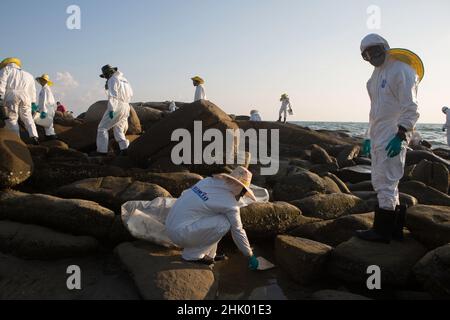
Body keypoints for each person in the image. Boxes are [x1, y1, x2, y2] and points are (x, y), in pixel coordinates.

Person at [357, 34, 422, 243]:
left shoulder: (401, 70)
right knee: (381, 181)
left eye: (374, 50)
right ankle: (394, 229)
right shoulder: (372, 79)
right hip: (378, 136)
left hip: (393, 135)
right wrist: (368, 137)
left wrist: (401, 134)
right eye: (366, 55)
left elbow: (411, 107)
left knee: (387, 181)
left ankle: (382, 232)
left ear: (385, 47)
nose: (371, 56)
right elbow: (373, 112)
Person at [165, 166, 259, 270]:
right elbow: (237, 230)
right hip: (180, 234)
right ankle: (192, 256)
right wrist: (249, 254)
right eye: (243, 192)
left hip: (170, 225)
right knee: (224, 222)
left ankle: (209, 255)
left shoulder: (207, 181)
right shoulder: (229, 203)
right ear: (239, 187)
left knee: (216, 216)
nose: (241, 196)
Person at [96, 64, 133, 156]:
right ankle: (124, 149)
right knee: (118, 128)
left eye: (105, 76)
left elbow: (113, 96)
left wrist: (111, 109)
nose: (105, 78)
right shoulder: (125, 80)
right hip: (126, 106)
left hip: (117, 105)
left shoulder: (112, 79)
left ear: (108, 73)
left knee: (102, 128)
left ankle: (102, 152)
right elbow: (131, 94)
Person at [0, 57, 39, 145]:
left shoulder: (6, 69)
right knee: (27, 117)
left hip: (11, 95)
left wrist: (0, 98)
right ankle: (34, 136)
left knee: (12, 118)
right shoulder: (28, 74)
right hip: (26, 97)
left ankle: (17, 140)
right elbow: (33, 91)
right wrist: (33, 103)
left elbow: (1, 83)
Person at [36, 74, 57, 140]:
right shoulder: (45, 89)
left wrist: (44, 111)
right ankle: (49, 135)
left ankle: (51, 136)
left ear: (46, 81)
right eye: (41, 80)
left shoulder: (45, 89)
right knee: (48, 124)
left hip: (48, 109)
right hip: (48, 108)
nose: (42, 81)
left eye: (43, 80)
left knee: (48, 124)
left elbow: (45, 101)